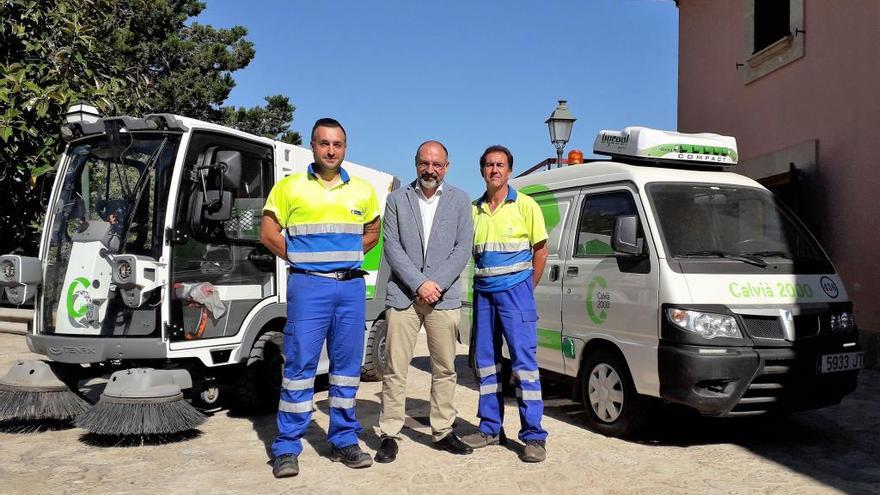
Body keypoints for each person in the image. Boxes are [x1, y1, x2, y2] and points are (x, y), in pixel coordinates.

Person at [260, 118, 380, 478]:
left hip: (350, 288)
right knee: (299, 368)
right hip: (308, 287)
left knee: (346, 370)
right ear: (313, 146)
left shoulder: (363, 190)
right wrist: (300, 259)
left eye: (338, 144)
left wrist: (349, 256)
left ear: (345, 147)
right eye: (324, 143)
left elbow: (373, 231)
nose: (331, 150)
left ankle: (344, 439)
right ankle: (286, 447)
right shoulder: (289, 187)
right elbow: (268, 232)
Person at [374, 141, 475, 463]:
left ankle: (443, 430)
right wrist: (420, 284)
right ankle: (390, 432)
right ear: (416, 163)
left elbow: (463, 248)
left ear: (447, 166)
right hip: (404, 296)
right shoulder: (396, 200)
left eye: (437, 164)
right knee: (395, 368)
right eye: (425, 163)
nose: (430, 170)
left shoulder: (460, 201)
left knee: (445, 368)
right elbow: (392, 245)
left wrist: (436, 285)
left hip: (443, 299)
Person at [461, 145, 549, 463]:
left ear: (509, 171)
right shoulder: (472, 210)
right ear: (482, 171)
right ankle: (489, 428)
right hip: (483, 296)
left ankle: (534, 436)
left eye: (500, 165)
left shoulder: (526, 206)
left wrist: (527, 287)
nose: (494, 170)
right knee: (486, 364)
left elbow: (541, 251)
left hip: (516, 295)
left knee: (524, 367)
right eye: (489, 165)